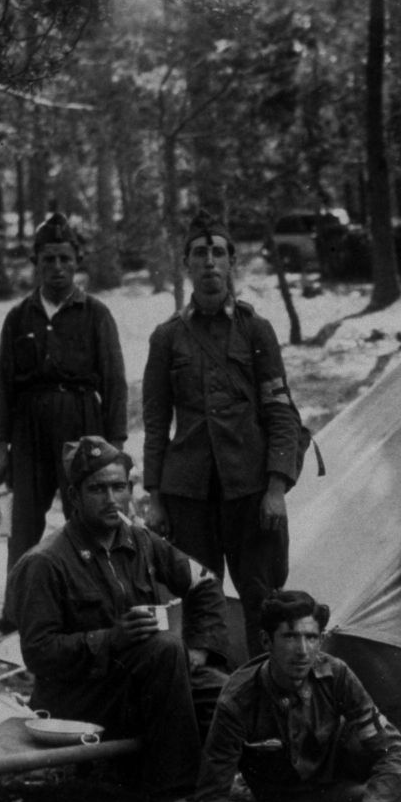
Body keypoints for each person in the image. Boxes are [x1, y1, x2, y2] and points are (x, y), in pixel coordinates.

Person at [8, 436, 231, 802]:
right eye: (97, 489)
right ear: (74, 496)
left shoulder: (141, 541)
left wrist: (199, 648)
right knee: (162, 649)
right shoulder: (45, 562)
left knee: (229, 693)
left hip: (145, 684)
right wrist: (111, 638)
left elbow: (205, 582)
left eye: (119, 487)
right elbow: (39, 654)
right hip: (77, 697)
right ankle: (173, 789)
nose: (111, 499)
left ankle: (238, 782)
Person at [143, 210, 302, 658]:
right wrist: (155, 497)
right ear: (186, 265)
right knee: (201, 600)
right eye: (199, 253)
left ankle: (265, 697)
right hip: (189, 493)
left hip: (249, 489)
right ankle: (209, 698)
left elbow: (281, 412)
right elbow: (156, 422)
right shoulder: (167, 338)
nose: (209, 261)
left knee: (263, 601)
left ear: (232, 261)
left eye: (218, 253)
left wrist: (276, 487)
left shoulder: (257, 330)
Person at [195, 590, 401, 802]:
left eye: (311, 637)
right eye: (290, 637)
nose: (302, 650)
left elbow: (391, 749)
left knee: (395, 781)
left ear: (321, 639)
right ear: (266, 641)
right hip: (297, 796)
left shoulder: (335, 673)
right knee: (384, 799)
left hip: (346, 760)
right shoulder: (238, 698)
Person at [0, 212, 126, 571]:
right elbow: (2, 381)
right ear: (36, 263)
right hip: (29, 427)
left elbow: (114, 381)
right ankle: (16, 609)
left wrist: (116, 447)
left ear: (77, 262)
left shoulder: (96, 313)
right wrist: (0, 445)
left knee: (87, 516)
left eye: (65, 259)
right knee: (23, 524)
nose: (58, 267)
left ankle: (96, 598)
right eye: (48, 259)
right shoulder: (19, 316)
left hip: (81, 424)